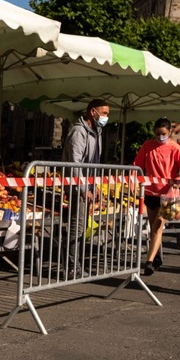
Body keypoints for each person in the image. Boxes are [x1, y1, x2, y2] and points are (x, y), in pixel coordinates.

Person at [134, 117, 180, 275]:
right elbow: (137, 165)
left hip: (169, 194)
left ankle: (149, 261)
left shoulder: (175, 148)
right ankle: (157, 256)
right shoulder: (147, 145)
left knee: (158, 225)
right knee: (153, 227)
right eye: (158, 133)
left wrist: (179, 180)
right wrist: (135, 179)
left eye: (164, 133)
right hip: (150, 192)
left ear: (170, 132)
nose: (160, 137)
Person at [60, 99, 109, 277]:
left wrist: (94, 185)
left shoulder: (98, 132)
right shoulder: (79, 132)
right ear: (92, 112)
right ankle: (72, 266)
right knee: (77, 226)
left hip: (86, 184)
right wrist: (83, 189)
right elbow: (76, 163)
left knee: (81, 226)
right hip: (76, 186)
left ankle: (76, 264)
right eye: (104, 113)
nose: (106, 117)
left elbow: (93, 162)